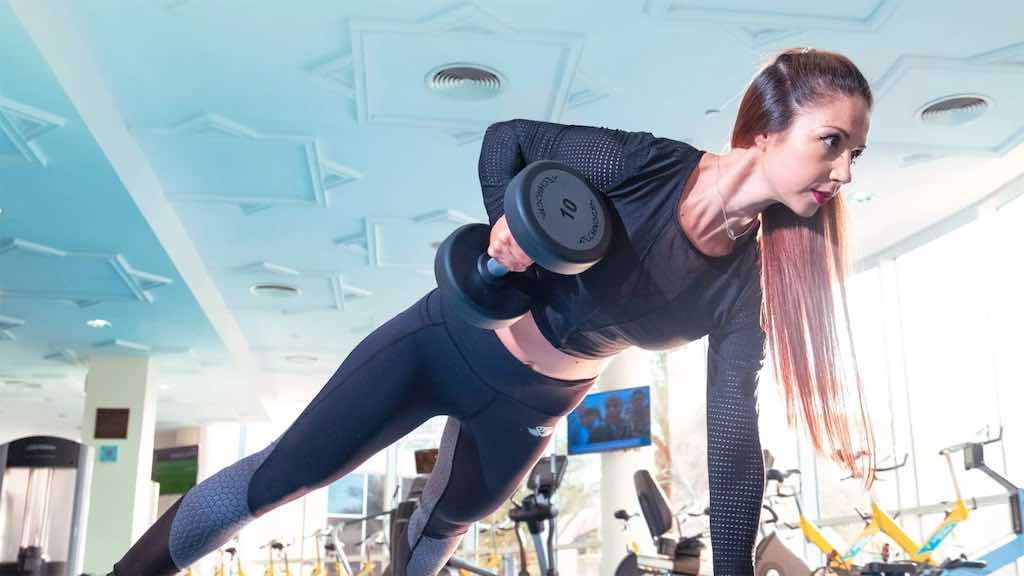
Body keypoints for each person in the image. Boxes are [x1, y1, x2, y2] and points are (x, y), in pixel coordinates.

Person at [109, 48, 876, 576]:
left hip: (534, 406)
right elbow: (506, 140)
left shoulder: (746, 285)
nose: (843, 171)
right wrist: (511, 234)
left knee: (444, 525)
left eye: (856, 154)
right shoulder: (648, 165)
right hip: (447, 339)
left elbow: (733, 443)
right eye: (831, 142)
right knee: (284, 477)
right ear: (766, 130)